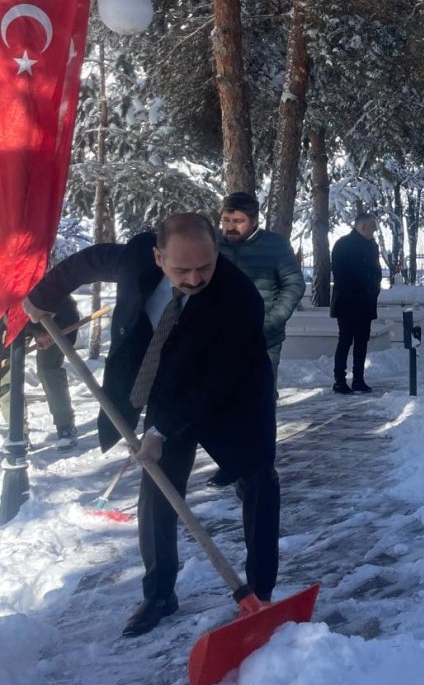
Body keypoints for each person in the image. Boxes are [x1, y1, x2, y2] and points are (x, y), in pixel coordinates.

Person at [23, 213, 279, 638]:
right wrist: (43, 294)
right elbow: (88, 261)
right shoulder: (135, 258)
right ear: (158, 257)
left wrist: (159, 431)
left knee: (258, 481)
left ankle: (262, 593)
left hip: (233, 396)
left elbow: (218, 379)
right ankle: (159, 594)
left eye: (205, 266)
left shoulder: (239, 297)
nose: (195, 279)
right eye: (182, 269)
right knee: (159, 486)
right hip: (166, 381)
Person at [209, 192, 304, 488]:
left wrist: (272, 321)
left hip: (263, 341)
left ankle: (260, 470)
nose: (230, 226)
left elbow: (294, 284)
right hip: (219, 340)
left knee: (259, 404)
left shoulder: (274, 245)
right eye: (226, 220)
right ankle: (231, 464)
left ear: (254, 221)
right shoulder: (212, 244)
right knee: (221, 402)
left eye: (238, 221)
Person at [0, 294, 80, 449]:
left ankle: (66, 427)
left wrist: (43, 332)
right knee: (5, 375)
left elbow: (63, 308)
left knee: (47, 369)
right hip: (14, 323)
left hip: (55, 318)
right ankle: (17, 432)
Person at [330, 213, 381, 394]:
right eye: (372, 226)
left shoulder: (372, 245)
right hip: (347, 303)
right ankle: (339, 381)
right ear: (363, 227)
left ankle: (359, 379)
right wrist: (357, 291)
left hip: (365, 302)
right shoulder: (343, 244)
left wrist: (374, 290)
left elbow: (376, 271)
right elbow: (340, 274)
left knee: (362, 342)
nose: (374, 230)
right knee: (345, 341)